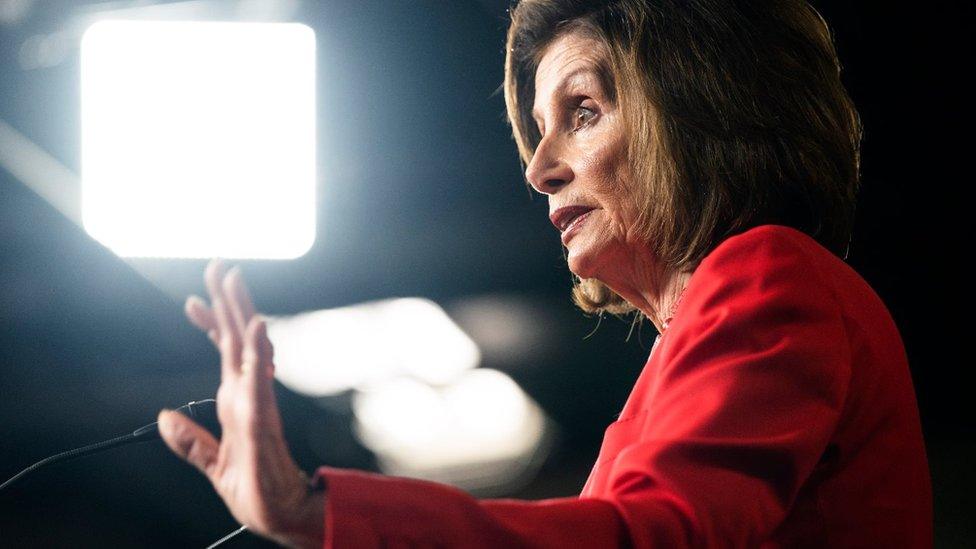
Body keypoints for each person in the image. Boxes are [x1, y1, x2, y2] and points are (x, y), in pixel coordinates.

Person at [157, 1, 933, 547]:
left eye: (583, 111)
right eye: (537, 129)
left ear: (695, 110)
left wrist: (313, 509)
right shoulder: (685, 355)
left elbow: (646, 539)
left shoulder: (771, 274)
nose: (538, 168)